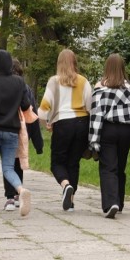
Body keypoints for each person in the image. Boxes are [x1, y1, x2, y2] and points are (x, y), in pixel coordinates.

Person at [89, 53, 130, 219]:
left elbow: (96, 117)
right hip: (125, 132)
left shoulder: (100, 90)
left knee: (108, 167)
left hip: (108, 130)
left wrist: (93, 142)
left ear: (107, 68)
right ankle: (119, 203)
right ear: (122, 68)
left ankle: (110, 203)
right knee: (120, 166)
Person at [0, 50, 33, 217]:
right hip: (12, 132)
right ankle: (21, 189)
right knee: (9, 168)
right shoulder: (19, 82)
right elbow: (25, 105)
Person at [38, 49, 92, 211]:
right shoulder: (84, 81)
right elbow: (91, 107)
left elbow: (43, 109)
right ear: (75, 62)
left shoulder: (54, 81)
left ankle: (65, 185)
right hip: (82, 123)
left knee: (57, 162)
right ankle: (71, 200)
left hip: (62, 124)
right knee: (73, 163)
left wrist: (45, 123)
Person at [2, 59, 44, 211]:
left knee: (8, 163)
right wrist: (38, 143)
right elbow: (32, 114)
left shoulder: (2, 86)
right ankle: (18, 194)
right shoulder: (26, 88)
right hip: (23, 130)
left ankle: (9, 198)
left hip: (6, 127)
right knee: (17, 163)